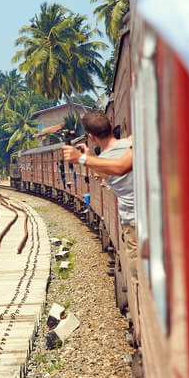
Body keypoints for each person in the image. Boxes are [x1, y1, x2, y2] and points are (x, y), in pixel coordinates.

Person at [62, 111, 137, 276]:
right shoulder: (132, 143)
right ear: (111, 126)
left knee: (140, 276)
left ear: (91, 137)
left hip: (133, 224)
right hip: (159, 216)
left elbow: (114, 170)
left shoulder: (104, 162)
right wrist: (90, 158)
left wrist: (83, 159)